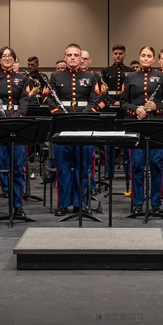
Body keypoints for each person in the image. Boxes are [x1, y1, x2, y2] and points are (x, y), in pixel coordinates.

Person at [46, 43, 105, 215]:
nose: (72, 57)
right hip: (62, 129)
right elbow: (50, 101)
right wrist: (64, 118)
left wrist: (82, 119)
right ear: (64, 58)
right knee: (63, 169)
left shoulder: (91, 76)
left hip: (84, 128)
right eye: (69, 55)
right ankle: (63, 204)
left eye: (76, 55)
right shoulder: (55, 77)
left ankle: (81, 204)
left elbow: (96, 100)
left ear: (81, 58)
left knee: (83, 167)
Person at [119, 46, 163, 213]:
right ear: (139, 57)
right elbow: (123, 102)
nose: (145, 58)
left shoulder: (162, 77)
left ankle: (156, 203)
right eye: (143, 55)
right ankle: (137, 202)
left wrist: (156, 106)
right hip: (137, 124)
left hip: (157, 125)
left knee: (157, 164)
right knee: (136, 164)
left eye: (149, 56)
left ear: (153, 59)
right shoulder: (130, 78)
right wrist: (135, 109)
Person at [0, 46, 32, 219]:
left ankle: (17, 205)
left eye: (10, 56)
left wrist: (19, 116)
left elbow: (25, 100)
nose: (7, 58)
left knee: (18, 168)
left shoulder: (23, 79)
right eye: (4, 56)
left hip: (17, 124)